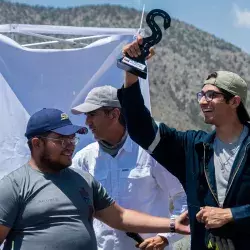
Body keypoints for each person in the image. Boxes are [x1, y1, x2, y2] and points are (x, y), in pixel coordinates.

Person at [117, 36, 250, 250]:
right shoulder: (194, 148)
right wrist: (132, 71)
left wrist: (233, 214)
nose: (202, 100)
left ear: (234, 101)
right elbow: (140, 129)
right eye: (201, 94)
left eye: (212, 95)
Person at [0, 108, 189, 250]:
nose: (70, 146)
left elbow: (120, 217)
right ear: (37, 143)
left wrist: (172, 226)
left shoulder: (83, 180)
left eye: (72, 139)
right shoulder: (14, 186)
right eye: (61, 140)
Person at [71, 85, 187, 250]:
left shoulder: (150, 152)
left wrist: (165, 238)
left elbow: (184, 197)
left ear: (114, 114)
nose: (87, 122)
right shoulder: (83, 159)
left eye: (92, 114)